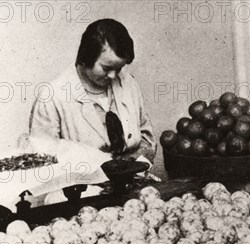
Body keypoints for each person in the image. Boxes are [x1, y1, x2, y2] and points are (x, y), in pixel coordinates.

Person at [29, 19, 156, 163]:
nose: (114, 76)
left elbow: (147, 140)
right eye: (106, 68)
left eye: (118, 69)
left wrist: (132, 165)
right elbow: (43, 159)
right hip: (82, 184)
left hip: (134, 178)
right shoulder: (52, 97)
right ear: (86, 58)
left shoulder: (128, 83)